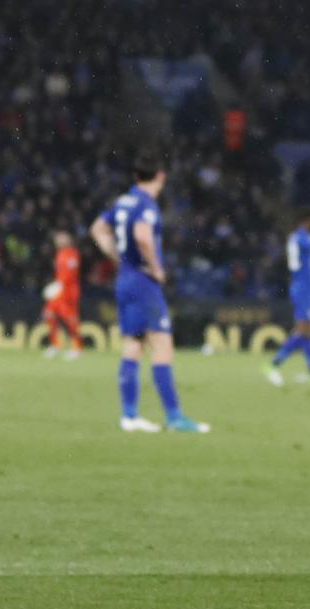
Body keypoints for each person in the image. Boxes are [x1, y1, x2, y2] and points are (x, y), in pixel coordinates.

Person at [90, 152, 209, 433]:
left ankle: (129, 416)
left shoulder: (123, 201)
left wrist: (117, 256)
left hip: (125, 279)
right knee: (162, 346)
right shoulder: (145, 205)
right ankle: (174, 416)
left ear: (135, 176)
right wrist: (156, 268)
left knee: (134, 345)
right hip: (143, 283)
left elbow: (98, 229)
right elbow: (143, 236)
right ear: (161, 177)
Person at [265, 210, 310, 387]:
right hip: (303, 289)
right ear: (307, 221)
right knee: (304, 330)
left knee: (308, 331)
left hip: (309, 289)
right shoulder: (300, 238)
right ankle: (273, 366)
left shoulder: (302, 238)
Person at [42, 230, 83, 360]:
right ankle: (55, 345)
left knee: (71, 320)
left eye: (62, 238)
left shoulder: (72, 254)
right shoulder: (60, 254)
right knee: (48, 314)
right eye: (58, 238)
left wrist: (59, 285)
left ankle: (78, 347)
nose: (59, 240)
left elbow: (70, 275)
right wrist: (56, 285)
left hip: (69, 291)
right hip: (59, 290)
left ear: (69, 240)